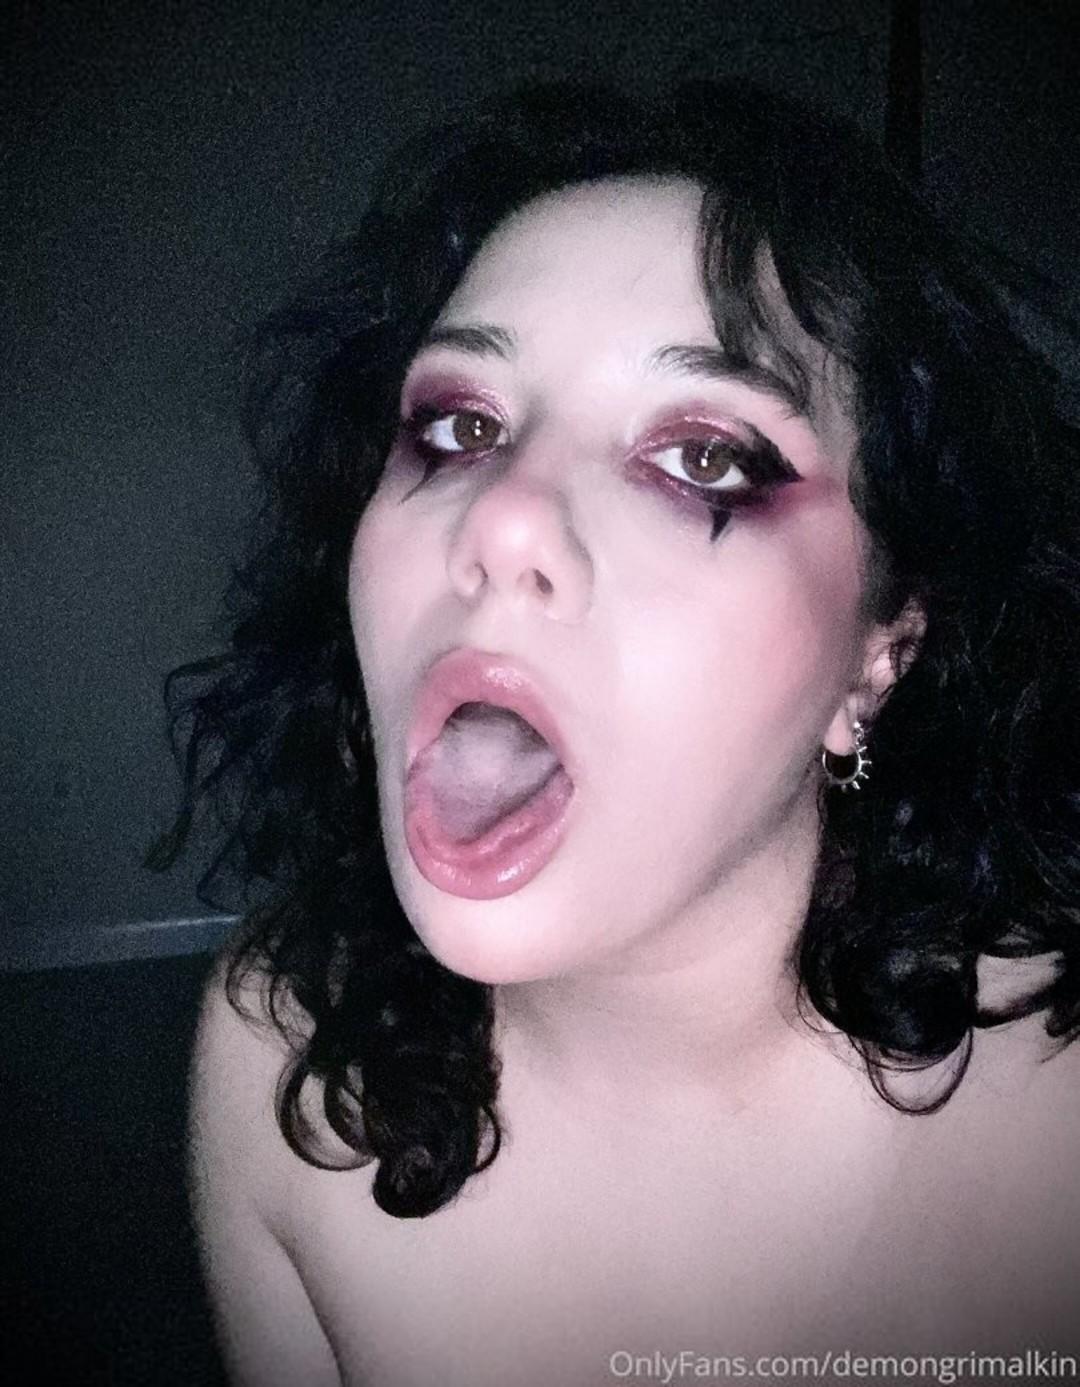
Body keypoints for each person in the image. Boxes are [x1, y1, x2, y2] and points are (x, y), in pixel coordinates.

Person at [150, 78, 1080, 1386]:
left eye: (703, 459)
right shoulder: (276, 1062)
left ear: (880, 654)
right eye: (459, 428)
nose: (503, 515)